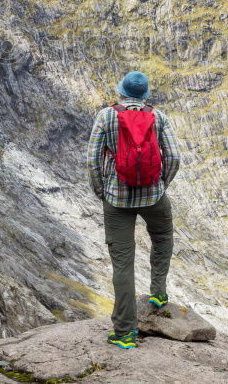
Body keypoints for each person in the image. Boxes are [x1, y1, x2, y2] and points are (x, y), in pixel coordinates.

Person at [86, 71, 181, 349]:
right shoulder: (159, 117)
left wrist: (102, 191)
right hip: (153, 195)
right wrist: (161, 184)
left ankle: (125, 333)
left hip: (117, 199)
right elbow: (174, 157)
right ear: (145, 94)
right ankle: (158, 294)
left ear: (122, 91)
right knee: (162, 236)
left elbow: (92, 160)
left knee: (123, 265)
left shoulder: (106, 116)